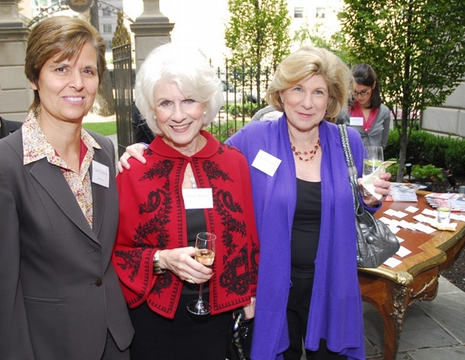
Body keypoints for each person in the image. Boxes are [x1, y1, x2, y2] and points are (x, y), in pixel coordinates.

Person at [118, 46, 392, 360]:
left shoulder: (349, 143)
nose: (307, 102)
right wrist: (141, 150)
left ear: (331, 99)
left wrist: (369, 199)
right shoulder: (254, 140)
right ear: (282, 93)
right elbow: (199, 156)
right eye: (298, 89)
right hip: (274, 286)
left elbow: (355, 204)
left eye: (319, 92)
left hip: (330, 280)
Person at [0, 16, 133, 360]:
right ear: (33, 78)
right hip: (50, 347)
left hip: (114, 340)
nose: (77, 83)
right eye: (61, 69)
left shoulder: (103, 151)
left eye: (88, 71)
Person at [111, 43, 259, 360]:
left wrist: (250, 292)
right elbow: (114, 253)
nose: (178, 115)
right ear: (152, 111)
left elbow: (249, 239)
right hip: (154, 323)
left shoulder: (233, 163)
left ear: (205, 105)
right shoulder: (134, 170)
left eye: (189, 100)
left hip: (219, 318)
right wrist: (161, 259)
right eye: (165, 103)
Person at [337, 64, 391, 148]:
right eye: (355, 92)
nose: (359, 96)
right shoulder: (343, 111)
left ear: (373, 85)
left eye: (364, 91)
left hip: (374, 160)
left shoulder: (384, 112)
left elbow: (382, 144)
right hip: (351, 160)